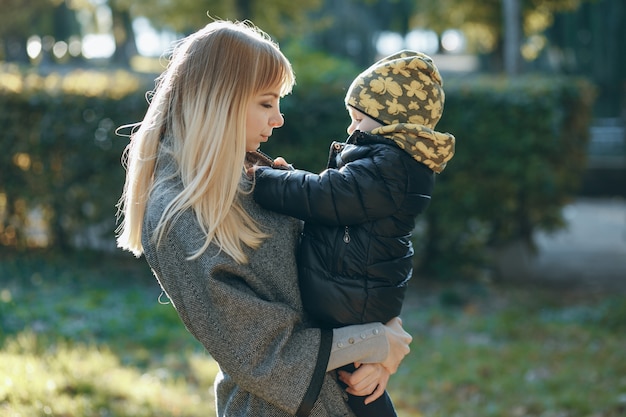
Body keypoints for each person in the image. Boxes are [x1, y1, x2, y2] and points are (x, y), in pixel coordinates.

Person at [115, 19, 414, 417]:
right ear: (219, 98)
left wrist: (389, 338)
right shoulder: (177, 213)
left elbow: (346, 266)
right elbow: (262, 352)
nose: (278, 119)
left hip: (350, 396)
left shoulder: (253, 177)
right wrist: (374, 342)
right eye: (265, 103)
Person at [250, 50, 456, 416]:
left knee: (359, 383)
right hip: (362, 289)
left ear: (392, 123)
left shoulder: (388, 167)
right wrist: (291, 177)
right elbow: (335, 200)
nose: (351, 129)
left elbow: (328, 197)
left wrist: (265, 181)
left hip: (354, 298)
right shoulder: (389, 168)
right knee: (361, 379)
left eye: (358, 119)